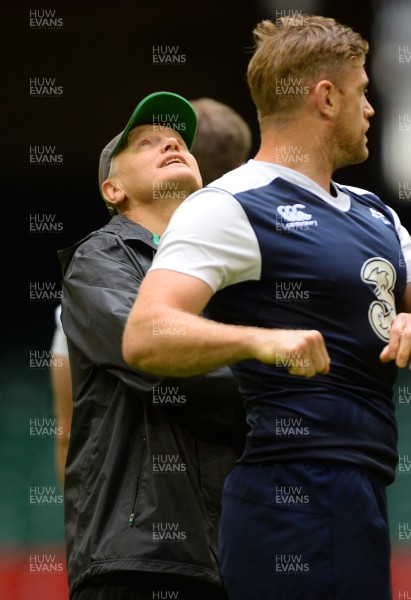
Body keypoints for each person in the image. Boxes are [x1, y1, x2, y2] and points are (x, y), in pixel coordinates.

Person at [122, 16, 411, 600]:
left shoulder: (378, 214)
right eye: (362, 92)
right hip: (289, 497)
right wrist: (261, 340)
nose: (372, 110)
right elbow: (145, 333)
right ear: (326, 98)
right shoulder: (229, 205)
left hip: (363, 493)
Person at [58, 91, 248, 600]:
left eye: (179, 140)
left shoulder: (233, 269)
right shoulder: (98, 261)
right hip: (138, 560)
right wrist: (274, 369)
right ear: (112, 188)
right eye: (146, 142)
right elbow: (159, 360)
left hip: (235, 558)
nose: (170, 142)